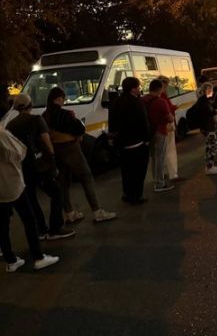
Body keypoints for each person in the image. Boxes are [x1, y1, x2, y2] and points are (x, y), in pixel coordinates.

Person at [43, 88, 116, 223]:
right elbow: (80, 128)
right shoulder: (64, 114)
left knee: (64, 182)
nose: (64, 102)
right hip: (71, 149)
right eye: (63, 99)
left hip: (56, 150)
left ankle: (69, 213)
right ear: (57, 99)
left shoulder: (45, 115)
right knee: (86, 177)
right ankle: (97, 211)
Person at [7, 94, 74, 240]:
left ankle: (41, 229)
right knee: (57, 193)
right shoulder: (36, 119)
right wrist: (53, 160)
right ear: (30, 105)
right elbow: (46, 141)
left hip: (23, 167)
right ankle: (55, 228)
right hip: (40, 165)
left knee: (32, 199)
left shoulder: (10, 125)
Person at [0, 128, 60, 271]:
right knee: (29, 220)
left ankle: (11, 260)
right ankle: (38, 257)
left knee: (2, 225)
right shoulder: (2, 133)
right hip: (11, 183)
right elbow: (20, 152)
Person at [108, 77, 150, 205]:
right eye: (138, 87)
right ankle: (136, 195)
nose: (139, 89)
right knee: (138, 170)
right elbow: (144, 122)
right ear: (133, 88)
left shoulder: (116, 101)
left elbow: (112, 122)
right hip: (137, 141)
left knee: (126, 170)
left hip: (122, 142)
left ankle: (127, 193)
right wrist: (147, 139)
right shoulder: (136, 102)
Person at [143, 79, 175, 192]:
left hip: (148, 132)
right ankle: (160, 183)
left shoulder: (143, 100)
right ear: (159, 89)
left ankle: (155, 179)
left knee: (153, 157)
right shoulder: (161, 102)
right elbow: (169, 118)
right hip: (160, 131)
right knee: (160, 157)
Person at [158, 77, 180, 182]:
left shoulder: (158, 97)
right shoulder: (162, 97)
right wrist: (174, 108)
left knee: (164, 151)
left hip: (161, 127)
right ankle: (173, 174)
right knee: (170, 150)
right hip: (167, 125)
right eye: (166, 85)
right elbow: (166, 111)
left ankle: (165, 173)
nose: (167, 88)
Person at [195, 82, 217, 174]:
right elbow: (207, 113)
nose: (211, 91)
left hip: (208, 126)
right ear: (206, 90)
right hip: (207, 127)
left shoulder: (204, 100)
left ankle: (211, 165)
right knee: (212, 146)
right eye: (210, 90)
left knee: (211, 146)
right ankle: (209, 167)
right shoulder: (203, 101)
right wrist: (215, 112)